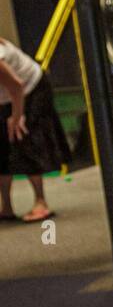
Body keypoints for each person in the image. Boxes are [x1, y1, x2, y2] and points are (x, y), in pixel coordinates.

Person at [0, 35, 69, 223]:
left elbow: (16, 86)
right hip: (7, 95)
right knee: (2, 146)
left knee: (23, 137)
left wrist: (17, 116)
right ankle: (6, 206)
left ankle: (41, 201)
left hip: (30, 90)